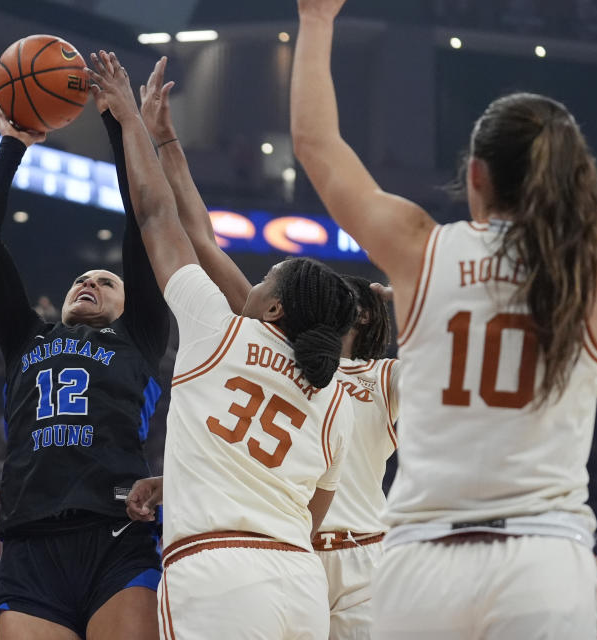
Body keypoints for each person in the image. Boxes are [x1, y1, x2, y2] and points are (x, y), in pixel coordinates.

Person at [290, 1, 597, 637]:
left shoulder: (420, 247)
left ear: (475, 176)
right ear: (579, 177)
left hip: (421, 565)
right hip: (544, 562)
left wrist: (316, 20)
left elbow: (316, 146)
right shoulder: (596, 260)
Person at [89, 51, 357, 640]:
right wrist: (165, 140)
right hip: (300, 583)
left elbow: (160, 216)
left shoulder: (218, 329)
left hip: (218, 573)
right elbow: (309, 514)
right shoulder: (333, 393)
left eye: (263, 280)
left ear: (275, 308)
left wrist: (130, 118)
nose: (250, 281)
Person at [135, 59, 402, 638]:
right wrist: (165, 139)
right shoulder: (302, 368)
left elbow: (177, 228)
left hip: (326, 563)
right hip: (295, 558)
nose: (254, 287)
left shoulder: (374, 378)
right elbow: (201, 236)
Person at [0, 91, 170, 638]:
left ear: (130, 307)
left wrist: (114, 123)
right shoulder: (25, 337)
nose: (90, 282)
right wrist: (12, 146)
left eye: (108, 283)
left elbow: (139, 221)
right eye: (83, 279)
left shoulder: (140, 336)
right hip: (32, 540)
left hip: (118, 533)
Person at [315, 276, 399, 640]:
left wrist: (420, 301)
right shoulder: (283, 362)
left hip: (362, 555)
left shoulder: (385, 375)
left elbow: (447, 364)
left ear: (363, 314)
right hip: (292, 548)